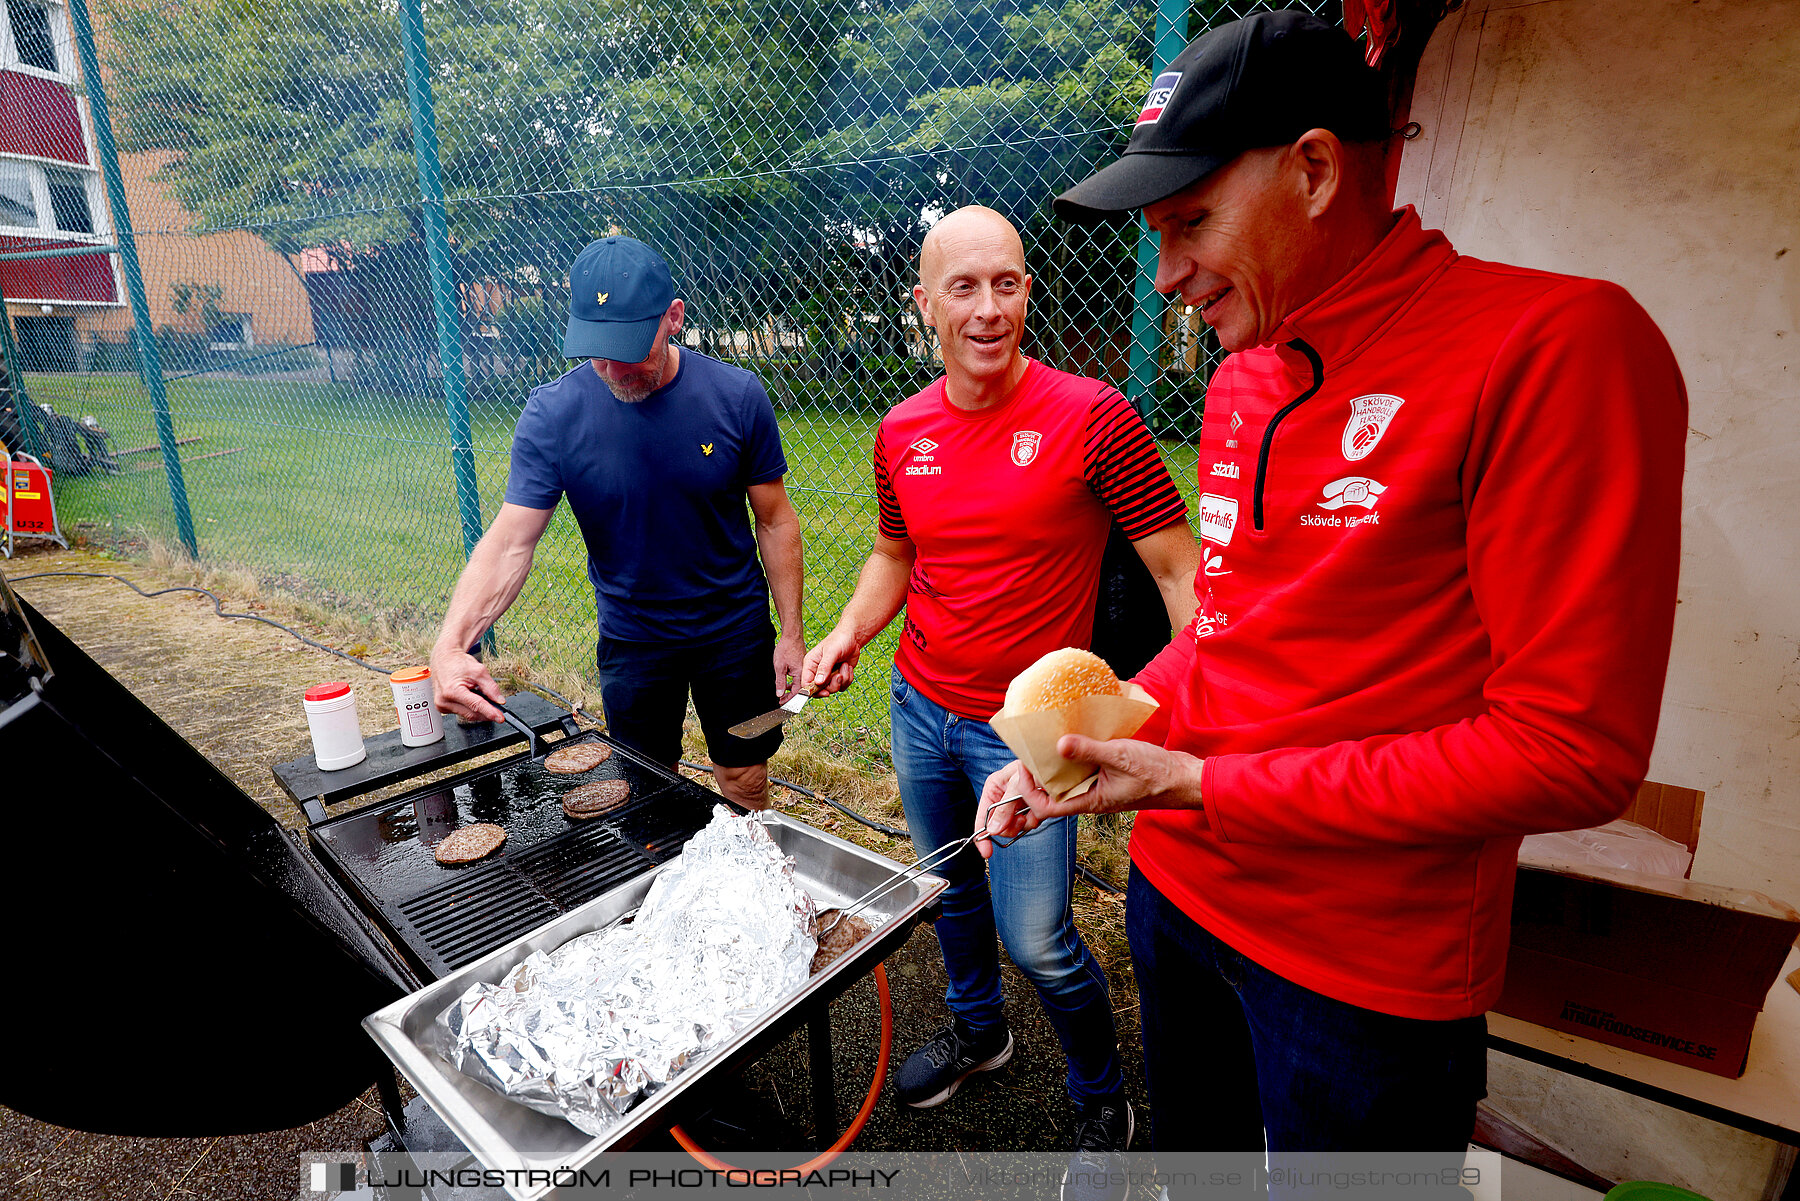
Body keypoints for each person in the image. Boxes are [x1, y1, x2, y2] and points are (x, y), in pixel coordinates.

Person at [983, 9, 1687, 1161]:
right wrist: (1077, 744)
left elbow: (1573, 749)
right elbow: (1227, 631)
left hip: (1362, 966)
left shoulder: (1557, 347)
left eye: (1192, 222)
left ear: (1314, 169)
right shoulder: (1244, 375)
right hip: (1178, 889)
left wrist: (1211, 786)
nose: (1164, 277)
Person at [802, 206, 1201, 1160]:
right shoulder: (901, 431)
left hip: (1030, 734)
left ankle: (1102, 1093)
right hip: (917, 706)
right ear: (925, 305)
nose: (989, 309)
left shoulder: (1095, 415)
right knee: (949, 894)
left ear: (1028, 290)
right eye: (965, 288)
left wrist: (1191, 713)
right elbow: (893, 553)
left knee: (1038, 937)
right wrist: (851, 629)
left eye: (1008, 284)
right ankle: (981, 1035)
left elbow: (1184, 575)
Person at [430, 236, 805, 808]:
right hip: (633, 639)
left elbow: (776, 521)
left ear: (672, 318)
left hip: (734, 632)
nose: (612, 368)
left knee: (744, 778)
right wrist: (452, 644)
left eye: (629, 347)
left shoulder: (736, 397)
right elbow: (509, 541)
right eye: (596, 350)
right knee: (645, 785)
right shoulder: (554, 414)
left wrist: (793, 635)